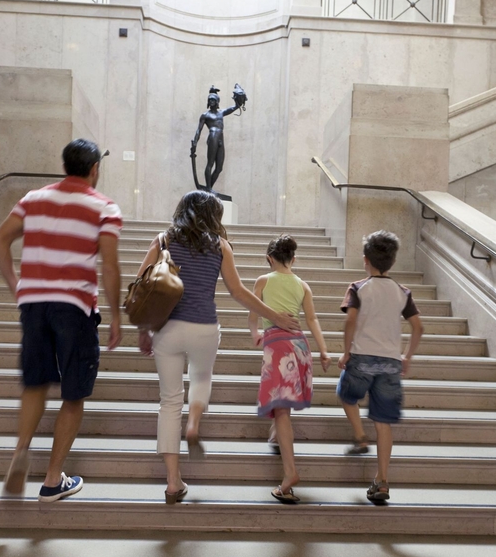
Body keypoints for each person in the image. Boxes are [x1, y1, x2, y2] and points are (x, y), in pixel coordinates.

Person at [136, 191, 300, 504]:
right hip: (204, 327)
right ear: (214, 215)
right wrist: (275, 315)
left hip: (167, 328)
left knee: (170, 401)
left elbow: (142, 281)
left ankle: (173, 482)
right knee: (201, 379)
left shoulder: (163, 240)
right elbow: (238, 292)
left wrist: (144, 328)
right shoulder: (220, 245)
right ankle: (195, 422)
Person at [0, 138, 122, 502]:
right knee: (74, 393)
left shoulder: (33, 199)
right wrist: (115, 317)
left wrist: (17, 285)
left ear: (65, 166)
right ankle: (52, 478)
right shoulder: (104, 207)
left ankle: (21, 452)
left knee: (35, 384)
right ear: (94, 169)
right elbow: (110, 266)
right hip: (74, 306)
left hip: (34, 304)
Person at [337, 230, 423, 504]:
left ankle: (360, 436)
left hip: (361, 358)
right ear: (392, 262)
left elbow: (350, 321)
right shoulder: (402, 292)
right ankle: (382, 481)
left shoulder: (358, 287)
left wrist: (346, 351)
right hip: (390, 363)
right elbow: (418, 327)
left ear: (366, 260)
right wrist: (406, 356)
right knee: (384, 423)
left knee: (345, 393)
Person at [248, 235, 331, 504]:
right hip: (300, 346)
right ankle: (276, 435)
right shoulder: (303, 285)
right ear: (294, 259)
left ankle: (289, 474)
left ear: (269, 258)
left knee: (281, 409)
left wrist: (254, 332)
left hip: (278, 345)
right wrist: (324, 349)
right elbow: (312, 318)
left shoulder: (263, 280)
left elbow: (253, 311)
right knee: (282, 404)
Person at [190, 86, 241, 191]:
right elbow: (198, 130)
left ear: (217, 101)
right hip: (213, 136)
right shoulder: (205, 115)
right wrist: (195, 142)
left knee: (219, 168)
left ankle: (209, 189)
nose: (211, 101)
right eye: (210, 100)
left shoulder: (221, 113)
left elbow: (234, 107)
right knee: (210, 163)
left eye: (213, 99)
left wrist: (239, 99)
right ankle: (208, 188)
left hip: (220, 138)